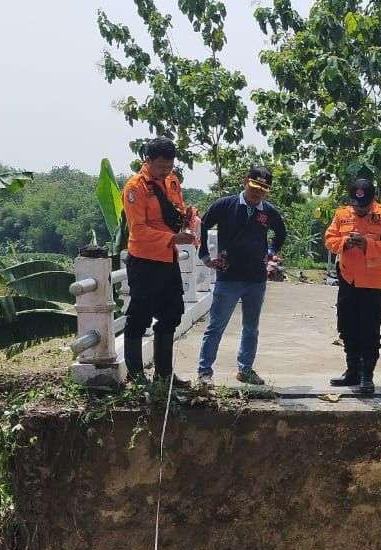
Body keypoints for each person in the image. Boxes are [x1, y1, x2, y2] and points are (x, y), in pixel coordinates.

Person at [196, 164, 288, 385]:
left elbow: (281, 233)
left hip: (256, 279)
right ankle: (204, 371)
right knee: (216, 326)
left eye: (263, 189)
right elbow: (204, 225)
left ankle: (245, 369)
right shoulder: (225, 205)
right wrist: (206, 256)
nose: (258, 192)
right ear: (245, 182)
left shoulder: (268, 212)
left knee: (251, 328)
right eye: (255, 186)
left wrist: (270, 252)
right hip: (228, 276)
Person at [121, 136, 197, 384]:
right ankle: (136, 376)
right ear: (148, 160)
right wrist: (173, 238)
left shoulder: (172, 181)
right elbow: (138, 229)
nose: (165, 171)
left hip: (168, 258)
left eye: (169, 166)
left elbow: (177, 213)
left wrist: (188, 222)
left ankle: (164, 376)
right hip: (144, 259)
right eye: (161, 166)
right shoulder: (135, 188)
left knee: (173, 312)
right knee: (139, 315)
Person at [324, 178, 381, 395]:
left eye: (364, 205)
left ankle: (367, 375)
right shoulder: (342, 214)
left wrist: (368, 243)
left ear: (372, 200)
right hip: (348, 280)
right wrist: (344, 242)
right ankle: (352, 371)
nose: (359, 209)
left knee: (368, 329)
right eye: (356, 205)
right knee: (347, 326)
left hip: (372, 283)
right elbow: (329, 239)